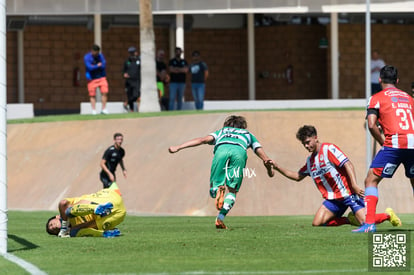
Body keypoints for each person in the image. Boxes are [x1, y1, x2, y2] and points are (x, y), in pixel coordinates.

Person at [269, 125, 401, 228]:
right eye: (304, 144)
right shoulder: (310, 161)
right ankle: (349, 219)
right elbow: (297, 176)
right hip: (333, 199)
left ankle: (387, 215)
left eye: (308, 142)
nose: (306, 146)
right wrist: (277, 167)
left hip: (348, 194)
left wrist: (354, 185)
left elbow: (348, 164)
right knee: (317, 223)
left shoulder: (328, 149)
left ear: (315, 137)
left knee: (365, 223)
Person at [168, 115, 274, 229]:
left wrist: (178, 147)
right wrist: (269, 168)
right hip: (239, 153)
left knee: (214, 188)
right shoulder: (248, 134)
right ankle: (220, 218)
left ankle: (217, 190)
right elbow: (263, 155)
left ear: (227, 125)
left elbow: (202, 140)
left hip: (221, 151)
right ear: (243, 126)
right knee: (233, 190)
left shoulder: (222, 132)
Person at [353, 65, 413, 233]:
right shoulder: (409, 98)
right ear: (397, 81)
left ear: (379, 79)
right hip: (413, 143)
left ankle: (370, 223)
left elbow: (371, 124)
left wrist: (382, 141)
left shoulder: (376, 98)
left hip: (394, 143)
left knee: (371, 180)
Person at [46, 182, 126, 238]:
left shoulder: (65, 209)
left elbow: (62, 203)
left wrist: (64, 227)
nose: (53, 228)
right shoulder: (73, 229)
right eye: (53, 232)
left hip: (106, 199)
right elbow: (92, 224)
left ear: (57, 217)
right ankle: (105, 234)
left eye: (51, 224)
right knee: (75, 232)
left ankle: (96, 208)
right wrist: (73, 229)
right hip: (118, 214)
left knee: (69, 212)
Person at [84, 44, 109, 115]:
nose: (96, 54)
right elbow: (89, 67)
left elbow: (103, 65)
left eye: (97, 53)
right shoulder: (87, 57)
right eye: (94, 53)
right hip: (91, 78)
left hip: (101, 77)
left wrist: (95, 66)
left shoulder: (101, 56)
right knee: (92, 95)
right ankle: (94, 110)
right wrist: (97, 65)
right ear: (92, 51)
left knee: (105, 92)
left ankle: (104, 109)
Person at [122, 46, 141, 112]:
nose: (132, 54)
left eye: (133, 53)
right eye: (131, 53)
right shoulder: (127, 61)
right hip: (129, 81)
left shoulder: (139, 60)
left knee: (136, 95)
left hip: (137, 81)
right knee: (129, 95)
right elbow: (123, 71)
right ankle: (131, 110)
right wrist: (124, 74)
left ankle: (126, 103)